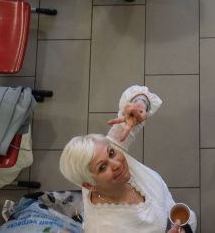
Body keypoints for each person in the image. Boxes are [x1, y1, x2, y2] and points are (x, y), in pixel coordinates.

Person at [59, 85, 196, 233]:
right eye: (102, 167)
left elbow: (137, 99)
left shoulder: (112, 147)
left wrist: (139, 105)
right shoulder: (103, 229)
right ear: (89, 185)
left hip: (175, 215)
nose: (117, 164)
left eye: (111, 153)